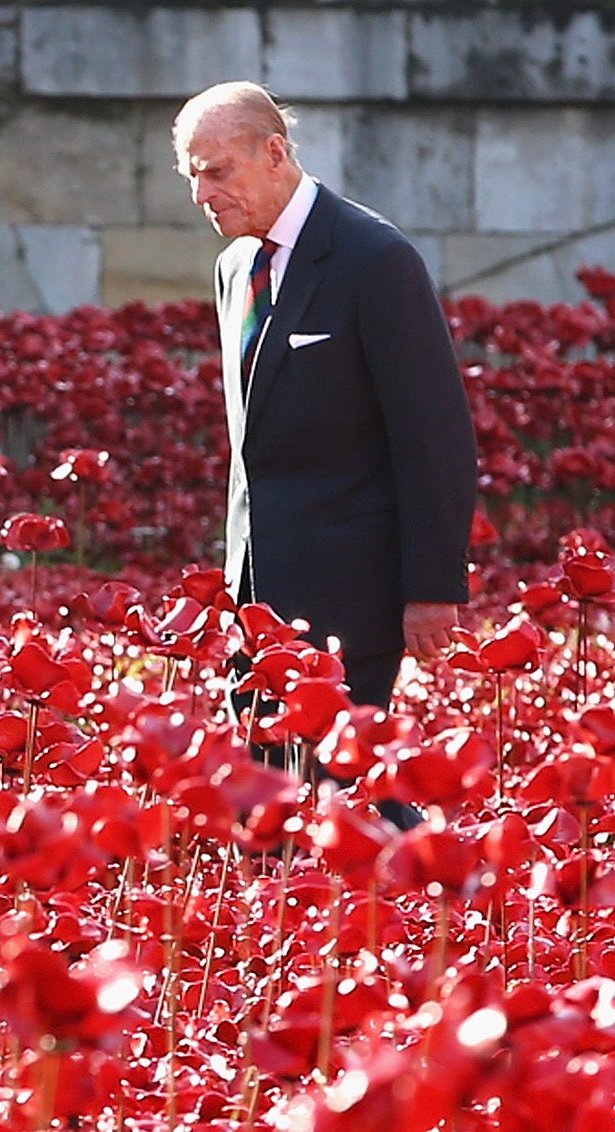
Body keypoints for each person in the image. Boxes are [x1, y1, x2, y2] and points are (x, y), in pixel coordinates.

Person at [173, 82, 478, 717]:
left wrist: (431, 588)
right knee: (268, 787)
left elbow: (433, 434)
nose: (202, 195)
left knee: (346, 786)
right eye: (192, 177)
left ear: (275, 152)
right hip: (252, 592)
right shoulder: (234, 269)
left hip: (351, 595)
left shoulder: (375, 258)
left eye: (217, 172)